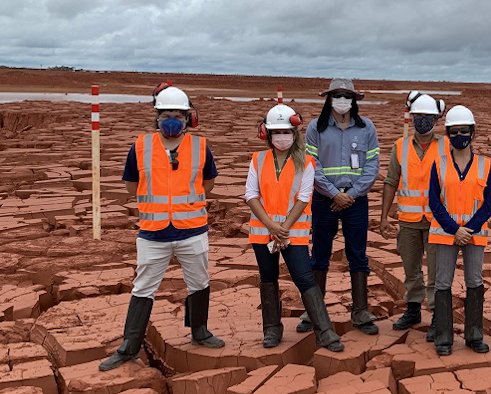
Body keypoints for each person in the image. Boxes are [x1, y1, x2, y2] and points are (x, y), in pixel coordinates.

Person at [100, 84, 224, 371]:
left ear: (188, 118)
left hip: (191, 229)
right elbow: (132, 185)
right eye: (166, 115)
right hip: (153, 232)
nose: (172, 120)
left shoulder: (200, 147)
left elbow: (208, 183)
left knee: (199, 282)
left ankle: (200, 331)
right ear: (156, 117)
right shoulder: (140, 146)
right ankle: (129, 347)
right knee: (143, 287)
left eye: (178, 116)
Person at [245, 104, 343, 352]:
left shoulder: (306, 162)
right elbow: (251, 195)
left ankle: (325, 333)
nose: (281, 137)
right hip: (263, 232)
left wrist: (283, 229)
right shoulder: (258, 160)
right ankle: (272, 329)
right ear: (267, 134)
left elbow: (304, 197)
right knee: (268, 278)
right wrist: (271, 226)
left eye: (286, 132)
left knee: (304, 278)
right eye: (276, 132)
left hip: (292, 234)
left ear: (294, 133)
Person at [302, 78, 380, 336]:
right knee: (319, 254)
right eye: (338, 95)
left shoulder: (366, 127)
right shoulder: (316, 128)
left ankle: (360, 312)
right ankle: (314, 311)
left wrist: (351, 194)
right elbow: (311, 165)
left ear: (354, 100)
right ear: (329, 98)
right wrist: (335, 194)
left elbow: (372, 166)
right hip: (325, 200)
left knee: (357, 253)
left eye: (347, 96)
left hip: (356, 201)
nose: (343, 100)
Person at [428, 105, 491, 356]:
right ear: (447, 134)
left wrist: (469, 229)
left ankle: (474, 336)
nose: (460, 136)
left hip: (474, 234)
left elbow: (489, 202)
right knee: (443, 283)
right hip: (446, 234)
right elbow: (434, 201)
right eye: (454, 132)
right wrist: (454, 229)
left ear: (472, 132)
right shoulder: (439, 164)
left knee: (474, 281)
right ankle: (443, 338)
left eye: (464, 131)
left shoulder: (484, 165)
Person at [380, 92, 447, 339]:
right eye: (418, 116)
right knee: (411, 269)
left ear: (436, 119)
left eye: (428, 117)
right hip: (408, 221)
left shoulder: (447, 146)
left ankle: (437, 316)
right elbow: (391, 181)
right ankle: (413, 309)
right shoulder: (400, 146)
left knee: (437, 272)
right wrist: (384, 216)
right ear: (411, 117)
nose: (423, 120)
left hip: (437, 221)